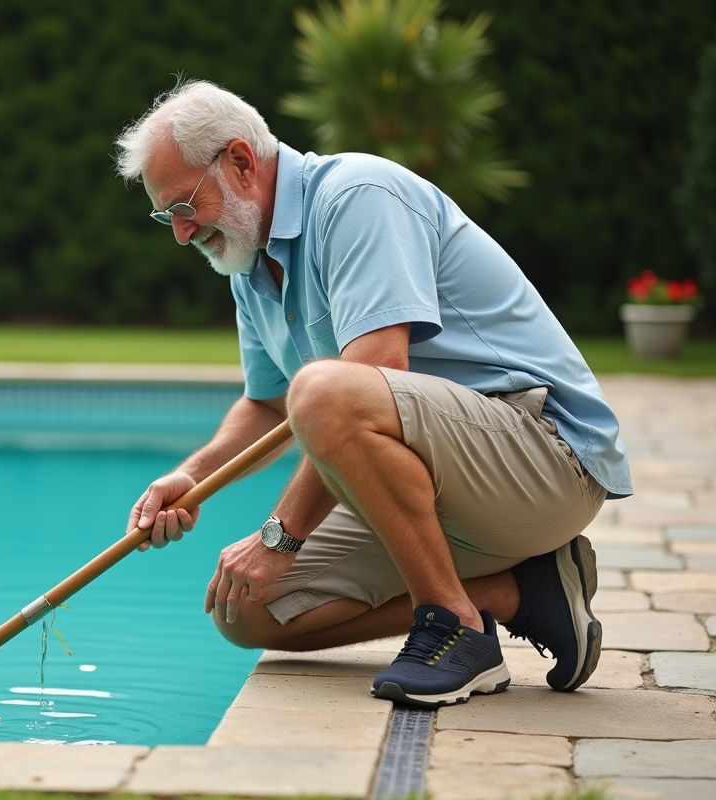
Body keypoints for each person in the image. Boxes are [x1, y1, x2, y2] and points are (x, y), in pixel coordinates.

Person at [115, 80, 632, 708]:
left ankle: (455, 630)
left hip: (546, 458)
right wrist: (191, 478)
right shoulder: (248, 263)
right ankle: (516, 591)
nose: (180, 231)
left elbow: (366, 376)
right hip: (444, 483)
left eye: (185, 204)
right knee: (244, 609)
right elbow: (268, 403)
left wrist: (280, 537)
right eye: (166, 213)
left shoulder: (358, 196)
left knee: (328, 388)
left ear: (241, 161)